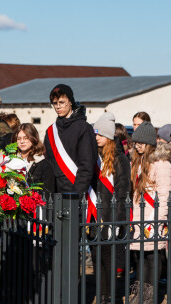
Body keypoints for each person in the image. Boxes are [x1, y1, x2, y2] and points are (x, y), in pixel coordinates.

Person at [128, 121, 171, 303]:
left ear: (149, 143)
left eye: (141, 143)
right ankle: (140, 291)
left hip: (153, 217)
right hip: (140, 216)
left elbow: (164, 194)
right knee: (141, 257)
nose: (137, 145)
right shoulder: (139, 162)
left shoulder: (161, 163)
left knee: (153, 257)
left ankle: (149, 296)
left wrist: (158, 220)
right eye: (135, 142)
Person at [91, 113, 130, 304]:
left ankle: (110, 297)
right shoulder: (93, 157)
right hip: (94, 215)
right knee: (97, 259)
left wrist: (117, 219)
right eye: (95, 134)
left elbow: (122, 192)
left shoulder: (120, 159)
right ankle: (102, 295)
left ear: (109, 136)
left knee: (109, 261)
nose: (96, 137)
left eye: (100, 134)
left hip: (110, 217)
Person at [43, 84, 97, 196]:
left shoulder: (84, 128)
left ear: (70, 102)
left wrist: (75, 195)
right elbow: (49, 163)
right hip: (55, 194)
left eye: (62, 102)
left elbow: (86, 166)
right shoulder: (50, 131)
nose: (58, 106)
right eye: (55, 103)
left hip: (76, 193)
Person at [14, 123, 55, 194]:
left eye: (26, 138)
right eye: (19, 139)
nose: (22, 142)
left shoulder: (44, 164)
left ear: (33, 139)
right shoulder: (11, 161)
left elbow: (48, 192)